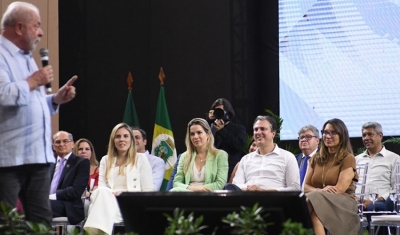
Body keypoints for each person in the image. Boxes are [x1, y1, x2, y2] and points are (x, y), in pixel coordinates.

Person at [0, 1, 77, 226]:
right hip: (9, 159)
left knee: (42, 222)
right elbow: (4, 95)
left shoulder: (26, 57)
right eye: (37, 26)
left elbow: (29, 101)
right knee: (7, 223)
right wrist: (35, 80)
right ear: (19, 27)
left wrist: (55, 100)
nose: (41, 32)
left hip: (38, 156)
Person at [84, 123, 154, 234]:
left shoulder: (141, 159)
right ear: (113, 140)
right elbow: (102, 187)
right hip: (109, 200)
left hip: (129, 204)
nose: (122, 139)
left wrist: (123, 194)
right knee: (101, 192)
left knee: (100, 205)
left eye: (125, 136)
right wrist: (113, 193)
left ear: (131, 139)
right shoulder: (105, 160)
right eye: (118, 136)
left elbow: (148, 190)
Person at [304, 118, 359, 235]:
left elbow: (339, 189)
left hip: (343, 201)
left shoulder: (348, 158)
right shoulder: (316, 158)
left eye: (333, 132)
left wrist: (318, 193)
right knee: (314, 213)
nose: (328, 136)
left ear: (342, 135)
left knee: (309, 204)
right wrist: (319, 191)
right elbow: (306, 186)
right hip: (317, 199)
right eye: (325, 132)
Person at [226, 115, 300, 191]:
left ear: (273, 134)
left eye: (262, 129)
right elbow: (236, 185)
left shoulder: (287, 157)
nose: (258, 132)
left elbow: (295, 188)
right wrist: (250, 189)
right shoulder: (245, 159)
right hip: (247, 198)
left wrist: (264, 191)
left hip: (275, 199)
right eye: (256, 129)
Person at [171, 118, 229, 191]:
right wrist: (193, 189)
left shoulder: (220, 155)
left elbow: (220, 183)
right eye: (192, 134)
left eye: (199, 132)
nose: (195, 137)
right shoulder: (184, 156)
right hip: (187, 193)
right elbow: (176, 182)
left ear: (208, 134)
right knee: (175, 191)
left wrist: (201, 189)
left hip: (209, 195)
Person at [355, 122, 400, 212]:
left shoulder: (394, 158)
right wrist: (355, 199)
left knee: (375, 207)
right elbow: (350, 185)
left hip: (381, 201)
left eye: (370, 134)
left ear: (380, 136)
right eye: (364, 135)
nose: (366, 138)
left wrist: (374, 200)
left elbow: (396, 188)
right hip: (356, 201)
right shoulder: (356, 160)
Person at [49, 131, 89, 225]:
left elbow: (76, 190)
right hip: (48, 202)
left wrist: (52, 196)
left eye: (65, 141)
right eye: (58, 142)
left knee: (40, 207)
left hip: (68, 206)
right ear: (53, 146)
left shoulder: (81, 163)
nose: (61, 144)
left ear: (72, 144)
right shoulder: (50, 164)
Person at [207, 98, 247, 179]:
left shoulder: (238, 128)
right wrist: (208, 121)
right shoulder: (210, 127)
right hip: (210, 168)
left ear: (228, 113)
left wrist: (222, 131)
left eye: (220, 111)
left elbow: (240, 145)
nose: (218, 114)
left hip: (230, 169)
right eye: (216, 111)